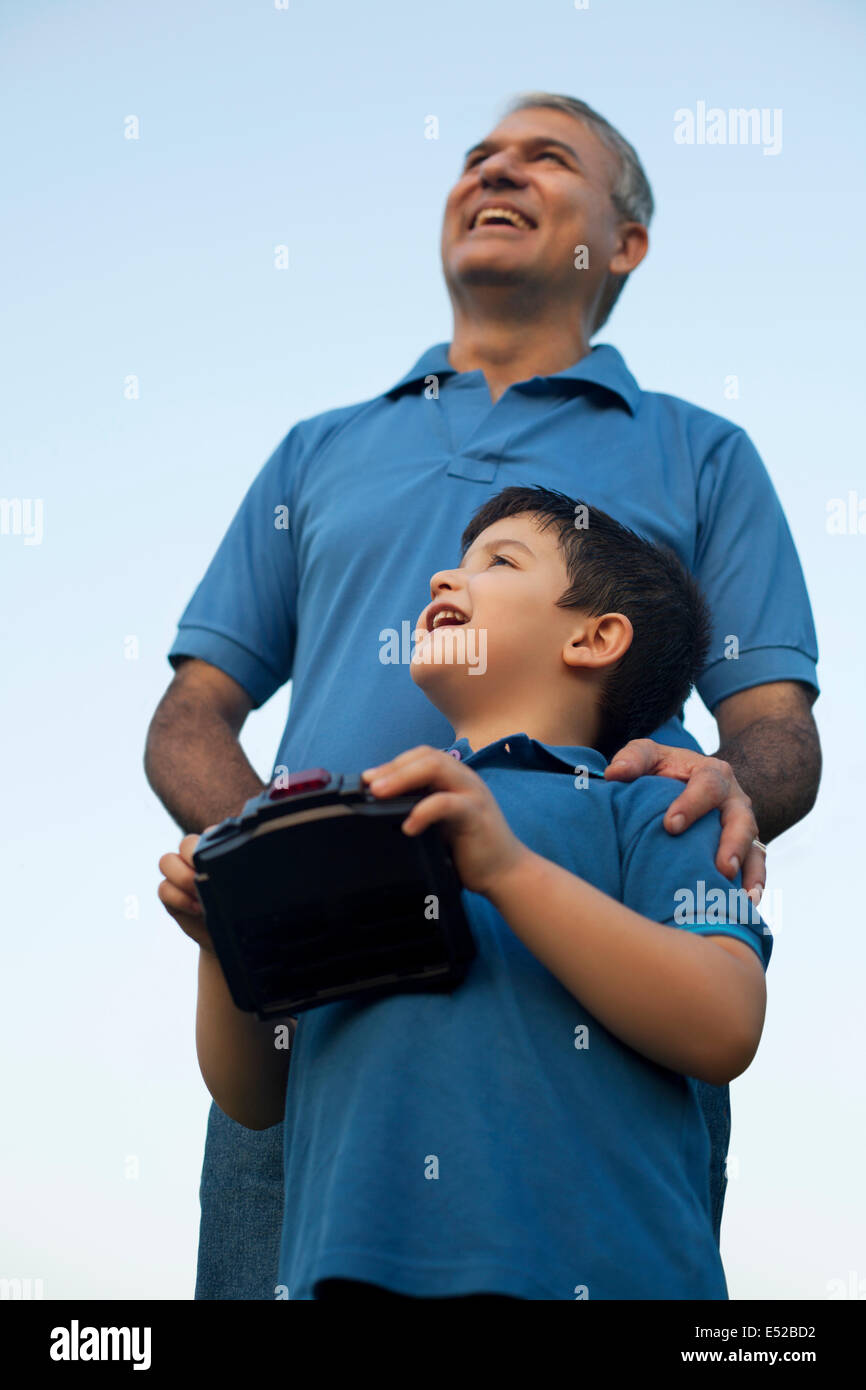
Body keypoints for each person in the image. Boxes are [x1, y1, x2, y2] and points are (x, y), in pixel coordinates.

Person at [145, 92, 820, 1299]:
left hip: (583, 1012)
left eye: (545, 156)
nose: (493, 170)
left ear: (621, 242)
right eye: (476, 157)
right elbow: (192, 716)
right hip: (333, 1021)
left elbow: (773, 736)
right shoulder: (319, 449)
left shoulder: (698, 452)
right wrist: (278, 875)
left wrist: (723, 795)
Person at [159, 485, 772, 1300]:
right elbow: (256, 1095)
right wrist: (223, 949)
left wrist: (508, 872)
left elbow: (725, 1023)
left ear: (597, 637)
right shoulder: (363, 826)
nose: (446, 581)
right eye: (454, 564)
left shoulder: (661, 805)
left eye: (500, 561)